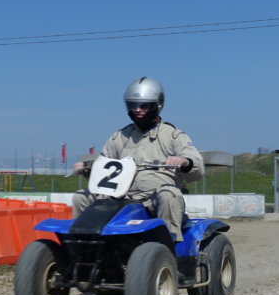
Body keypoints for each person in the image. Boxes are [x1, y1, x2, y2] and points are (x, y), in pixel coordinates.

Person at [71, 77, 203, 242]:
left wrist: (184, 162)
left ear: (157, 105)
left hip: (153, 200)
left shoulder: (173, 135)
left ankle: (168, 245)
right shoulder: (119, 137)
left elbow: (197, 167)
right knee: (81, 196)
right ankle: (81, 244)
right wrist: (87, 170)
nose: (138, 110)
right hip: (118, 198)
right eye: (133, 105)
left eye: (144, 105)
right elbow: (105, 169)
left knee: (169, 194)